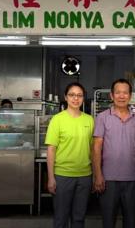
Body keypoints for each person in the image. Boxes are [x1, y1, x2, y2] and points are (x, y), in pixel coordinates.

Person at [92, 78, 135, 228]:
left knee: (131, 222)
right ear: (111, 95)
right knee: (108, 222)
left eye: (125, 93)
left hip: (132, 178)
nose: (121, 96)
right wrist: (98, 175)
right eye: (118, 93)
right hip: (108, 179)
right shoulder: (102, 117)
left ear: (130, 96)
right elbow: (96, 147)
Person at [45, 82, 94, 228]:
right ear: (65, 97)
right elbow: (51, 149)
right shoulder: (57, 119)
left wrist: (96, 175)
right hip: (62, 176)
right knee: (61, 218)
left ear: (83, 98)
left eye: (79, 95)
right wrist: (51, 177)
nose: (75, 98)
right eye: (72, 95)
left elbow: (92, 149)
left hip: (85, 176)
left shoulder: (89, 120)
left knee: (79, 218)